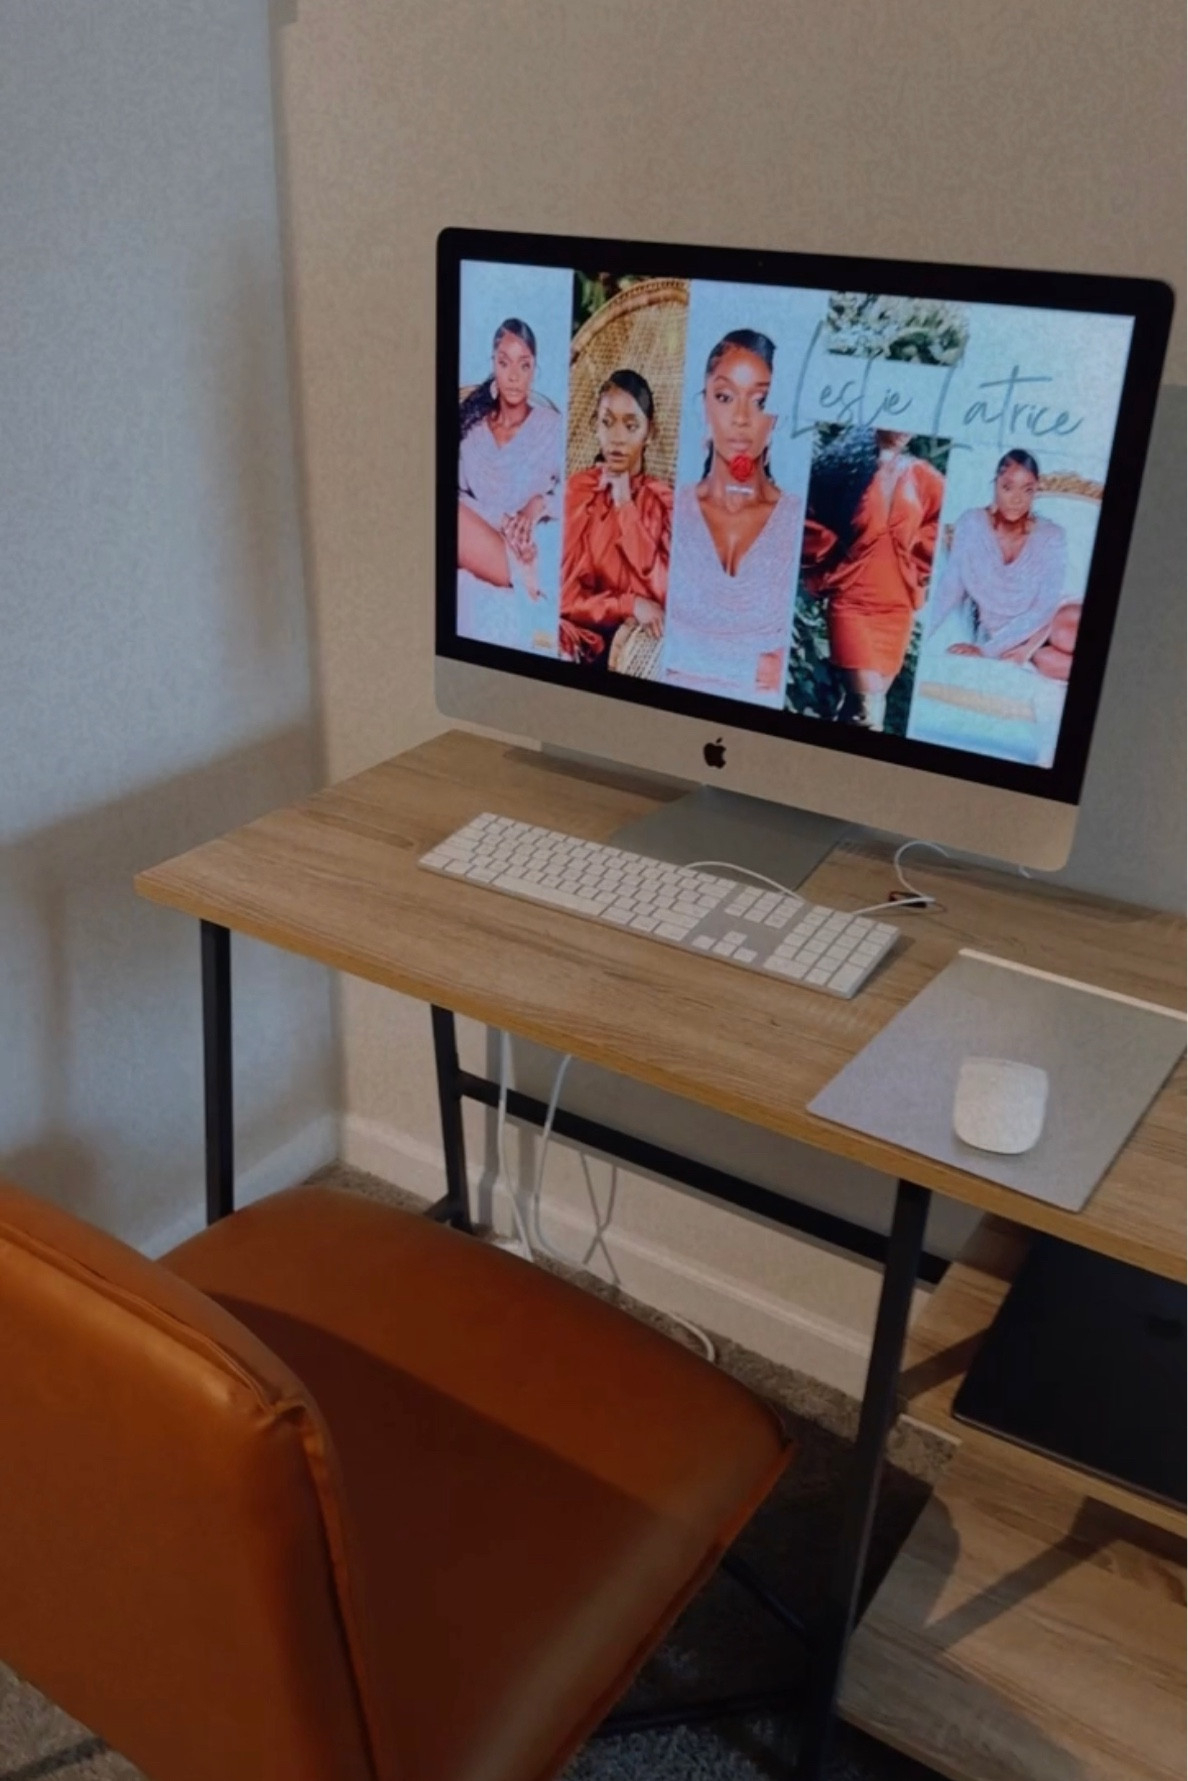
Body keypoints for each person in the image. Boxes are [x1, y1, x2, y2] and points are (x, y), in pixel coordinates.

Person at [663, 330, 802, 702]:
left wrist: (693, 654)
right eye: (725, 397)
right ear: (703, 404)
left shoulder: (799, 523)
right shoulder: (665, 510)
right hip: (657, 726)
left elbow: (788, 669)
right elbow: (640, 633)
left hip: (767, 743)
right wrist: (750, 667)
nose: (741, 418)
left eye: (760, 401)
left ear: (777, 415)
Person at [799, 426, 945, 730]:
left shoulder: (922, 476)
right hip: (852, 601)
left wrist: (916, 559)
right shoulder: (843, 467)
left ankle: (819, 769)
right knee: (869, 711)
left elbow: (945, 524)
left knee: (857, 710)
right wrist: (838, 552)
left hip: (897, 607)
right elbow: (808, 518)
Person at [457, 317, 562, 645]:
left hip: (524, 551)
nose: (514, 376)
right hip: (483, 536)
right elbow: (459, 494)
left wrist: (536, 505)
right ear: (493, 365)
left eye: (524, 365)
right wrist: (497, 518)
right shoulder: (473, 432)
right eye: (504, 363)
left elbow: (575, 493)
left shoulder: (552, 427)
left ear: (535, 369)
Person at [929, 449, 1075, 679]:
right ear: (995, 484)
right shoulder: (972, 523)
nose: (1017, 499)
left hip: (1053, 617)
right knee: (1050, 663)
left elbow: (1044, 608)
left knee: (1065, 633)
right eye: (1007, 487)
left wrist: (987, 650)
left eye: (1027, 490)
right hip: (1014, 641)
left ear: (1035, 489)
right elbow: (951, 586)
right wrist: (919, 634)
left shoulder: (1052, 536)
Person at [559, 370, 672, 667]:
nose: (617, 438)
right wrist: (629, 603)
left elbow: (667, 595)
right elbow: (564, 599)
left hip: (635, 651)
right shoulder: (578, 491)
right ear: (595, 426)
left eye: (631, 425)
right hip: (577, 641)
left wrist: (625, 505)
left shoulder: (662, 502)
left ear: (649, 433)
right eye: (607, 423)